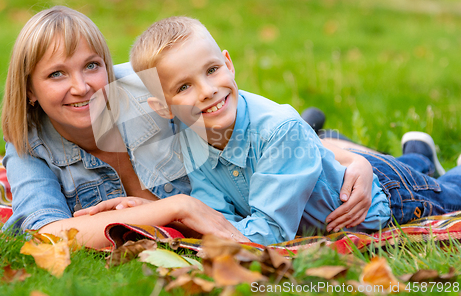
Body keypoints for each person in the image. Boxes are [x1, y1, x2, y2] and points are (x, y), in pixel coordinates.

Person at [1, 6, 371, 248]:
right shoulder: (28, 147)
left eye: (92, 65)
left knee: (364, 162)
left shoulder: (141, 85)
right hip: (242, 192)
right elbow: (46, 237)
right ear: (30, 89)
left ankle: (398, 157)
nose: (81, 86)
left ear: (107, 65)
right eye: (56, 74)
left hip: (280, 163)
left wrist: (355, 161)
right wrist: (177, 208)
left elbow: (248, 117)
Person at [127, 16, 461, 245]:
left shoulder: (278, 129)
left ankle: (433, 166)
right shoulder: (190, 142)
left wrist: (215, 231)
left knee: (449, 194)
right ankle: (419, 157)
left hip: (386, 199)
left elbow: (270, 232)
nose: (207, 90)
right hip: (330, 175)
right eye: (184, 87)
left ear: (228, 64)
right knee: (417, 173)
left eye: (212, 70)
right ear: (163, 107)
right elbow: (217, 215)